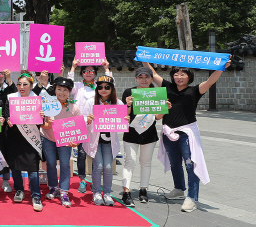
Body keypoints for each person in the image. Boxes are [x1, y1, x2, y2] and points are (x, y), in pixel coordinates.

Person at [144, 59, 231, 212]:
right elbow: (154, 73)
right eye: (176, 74)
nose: (179, 77)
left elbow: (210, 81)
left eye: (182, 74)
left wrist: (222, 67)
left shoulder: (194, 90)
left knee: (191, 165)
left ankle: (192, 198)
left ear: (189, 77)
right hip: (168, 132)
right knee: (174, 163)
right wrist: (144, 58)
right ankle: (179, 189)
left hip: (187, 134)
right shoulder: (167, 87)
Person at [120, 67, 171, 207]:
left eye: (147, 77)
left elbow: (158, 117)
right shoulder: (129, 92)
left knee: (146, 163)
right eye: (140, 77)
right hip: (131, 133)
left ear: (151, 79)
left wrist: (165, 108)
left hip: (149, 133)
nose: (144, 80)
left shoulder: (156, 94)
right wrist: (128, 105)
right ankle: (126, 191)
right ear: (136, 78)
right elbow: (124, 116)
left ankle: (143, 190)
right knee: (129, 162)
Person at [67, 59, 112, 193]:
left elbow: (111, 84)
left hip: (96, 123)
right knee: (81, 153)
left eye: (91, 71)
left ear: (95, 73)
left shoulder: (100, 86)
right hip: (81, 122)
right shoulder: (77, 86)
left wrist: (106, 68)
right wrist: (73, 67)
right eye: (85, 71)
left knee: (94, 153)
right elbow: (69, 86)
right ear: (82, 73)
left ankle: (94, 181)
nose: (88, 73)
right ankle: (82, 180)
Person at [3, 72, 43, 211]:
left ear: (31, 86)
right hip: (14, 137)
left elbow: (42, 121)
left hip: (31, 138)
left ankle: (36, 195)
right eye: (19, 84)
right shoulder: (11, 98)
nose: (21, 87)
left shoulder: (37, 99)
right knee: (15, 167)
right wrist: (7, 119)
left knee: (32, 169)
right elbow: (6, 113)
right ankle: (19, 190)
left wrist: (42, 116)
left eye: (25, 84)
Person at [84, 75, 125, 206]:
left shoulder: (118, 103)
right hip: (94, 139)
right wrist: (88, 119)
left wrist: (125, 120)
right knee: (98, 166)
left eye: (107, 87)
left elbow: (122, 122)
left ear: (112, 89)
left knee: (108, 167)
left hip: (109, 141)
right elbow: (83, 119)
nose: (103, 89)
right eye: (100, 87)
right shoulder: (91, 102)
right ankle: (96, 193)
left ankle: (107, 193)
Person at [40, 77, 81, 208]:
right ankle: (53, 187)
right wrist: (48, 124)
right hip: (48, 137)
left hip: (65, 140)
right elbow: (42, 125)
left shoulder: (74, 107)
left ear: (69, 92)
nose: (62, 92)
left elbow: (78, 128)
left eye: (65, 90)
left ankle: (64, 191)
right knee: (50, 163)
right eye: (59, 89)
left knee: (65, 164)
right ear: (54, 90)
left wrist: (76, 142)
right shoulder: (47, 105)